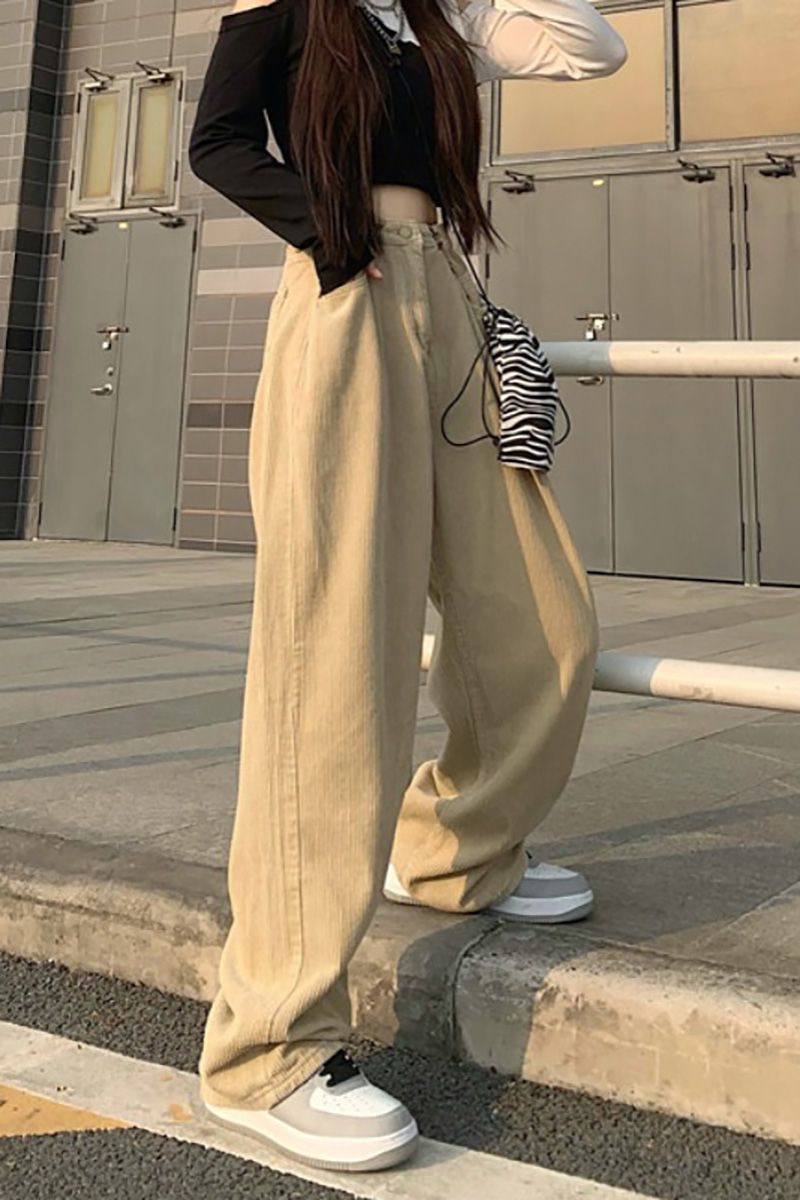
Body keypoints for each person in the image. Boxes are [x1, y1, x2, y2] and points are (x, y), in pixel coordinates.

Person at [187, 0, 627, 1174]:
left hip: (447, 298)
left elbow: (591, 48)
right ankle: (265, 1047)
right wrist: (328, 233)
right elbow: (216, 141)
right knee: (334, 660)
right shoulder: (284, 9)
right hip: (344, 297)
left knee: (538, 620)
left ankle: (450, 849)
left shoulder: (434, 22)